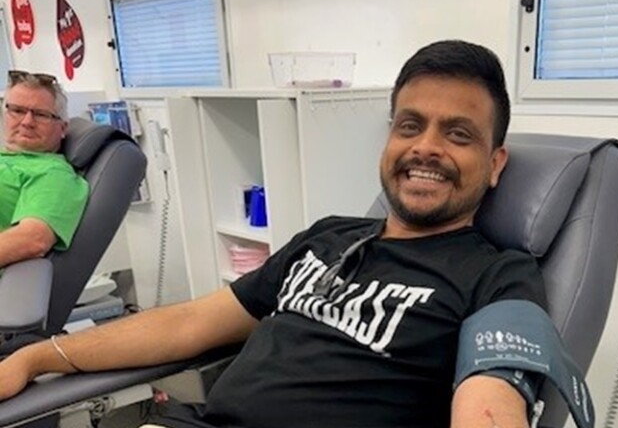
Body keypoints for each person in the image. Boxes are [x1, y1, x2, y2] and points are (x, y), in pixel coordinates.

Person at [0, 41, 546, 428]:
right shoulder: (328, 238)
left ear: (495, 164)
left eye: (458, 134)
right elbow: (190, 321)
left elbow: (492, 401)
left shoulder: (499, 277)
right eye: (410, 126)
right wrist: (38, 357)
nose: (425, 147)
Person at [0, 70, 88, 268]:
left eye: (41, 115)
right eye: (17, 111)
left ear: (63, 128)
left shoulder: (53, 173)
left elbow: (33, 239)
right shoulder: (9, 159)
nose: (27, 122)